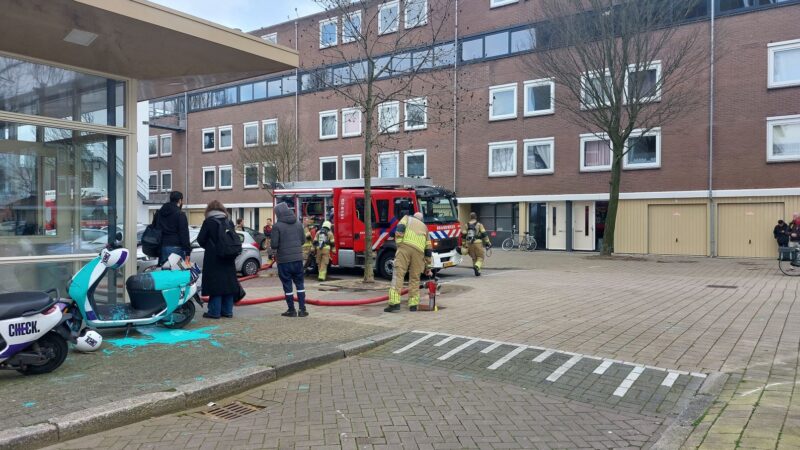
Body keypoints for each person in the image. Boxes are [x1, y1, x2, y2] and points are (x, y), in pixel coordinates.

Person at [196, 201, 239, 319]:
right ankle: (227, 311)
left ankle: (214, 312)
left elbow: (201, 239)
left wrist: (210, 247)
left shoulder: (208, 222)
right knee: (228, 283)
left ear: (209, 211)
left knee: (215, 284)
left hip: (213, 258)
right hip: (229, 257)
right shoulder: (228, 221)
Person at [385, 212, 432, 313]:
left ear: (414, 217)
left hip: (405, 247)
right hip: (419, 252)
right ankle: (413, 305)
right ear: (421, 219)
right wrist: (428, 267)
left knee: (398, 275)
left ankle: (394, 304)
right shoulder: (425, 228)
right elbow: (428, 249)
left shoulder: (407, 218)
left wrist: (399, 245)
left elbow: (399, 230)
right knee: (415, 278)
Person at [271, 202, 308, 317]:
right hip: (298, 259)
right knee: (300, 284)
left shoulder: (277, 226)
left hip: (284, 261)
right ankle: (302, 310)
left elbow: (274, 245)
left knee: (287, 285)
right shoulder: (298, 224)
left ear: (279, 213)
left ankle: (291, 310)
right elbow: (303, 241)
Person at [155, 191, 191, 266]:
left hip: (163, 247)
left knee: (165, 273)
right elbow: (184, 234)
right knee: (177, 274)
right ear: (180, 200)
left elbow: (156, 228)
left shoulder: (160, 213)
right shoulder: (180, 214)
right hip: (176, 248)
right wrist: (187, 251)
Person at [460, 212, 491, 277]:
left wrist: (463, 244)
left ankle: (477, 272)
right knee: (480, 257)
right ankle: (477, 267)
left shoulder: (466, 225)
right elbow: (484, 234)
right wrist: (488, 242)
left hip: (469, 244)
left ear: (470, 217)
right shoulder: (479, 224)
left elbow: (463, 235)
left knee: (474, 258)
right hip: (478, 243)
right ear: (476, 217)